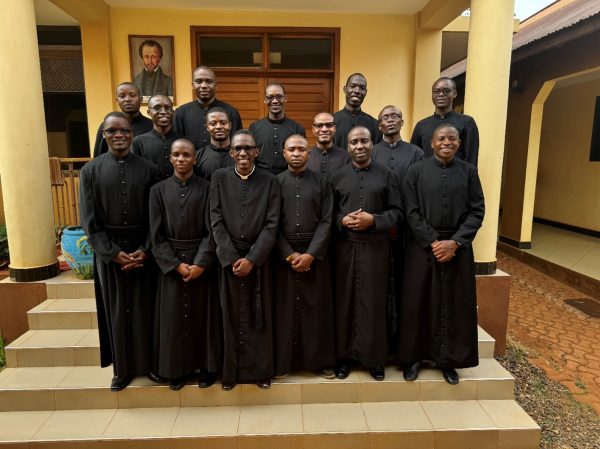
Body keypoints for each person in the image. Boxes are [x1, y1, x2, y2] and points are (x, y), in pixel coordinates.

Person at [79, 112, 160, 391]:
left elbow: (155, 217)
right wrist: (112, 253)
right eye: (112, 131)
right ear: (104, 135)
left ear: (132, 134)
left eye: (124, 131)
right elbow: (89, 220)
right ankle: (122, 369)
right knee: (116, 311)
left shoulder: (149, 169)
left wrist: (145, 249)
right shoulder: (90, 171)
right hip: (109, 251)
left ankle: (149, 365)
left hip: (142, 248)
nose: (119, 135)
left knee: (145, 309)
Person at [399, 124, 484, 385]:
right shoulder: (415, 172)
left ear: (459, 143)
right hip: (423, 247)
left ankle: (448, 360)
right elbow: (410, 212)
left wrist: (455, 243)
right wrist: (434, 242)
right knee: (417, 303)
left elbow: (477, 211)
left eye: (452, 139)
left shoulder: (469, 172)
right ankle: (413, 359)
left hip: (457, 250)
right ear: (431, 143)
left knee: (453, 304)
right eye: (441, 139)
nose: (446, 142)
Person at [329, 126, 402, 381]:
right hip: (345, 249)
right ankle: (344, 358)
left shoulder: (387, 175)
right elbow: (329, 214)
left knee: (374, 303)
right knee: (345, 302)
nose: (359, 146)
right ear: (347, 146)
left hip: (376, 249)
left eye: (364, 141)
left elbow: (396, 212)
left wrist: (374, 220)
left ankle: (374, 359)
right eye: (353, 142)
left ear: (372, 144)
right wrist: (341, 220)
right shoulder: (337, 177)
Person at [210, 130, 281, 390]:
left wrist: (253, 258)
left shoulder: (270, 181)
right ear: (231, 152)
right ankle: (231, 372)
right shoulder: (218, 178)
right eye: (237, 149)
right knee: (229, 316)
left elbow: (272, 223)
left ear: (256, 152)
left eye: (247, 148)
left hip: (259, 260)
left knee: (258, 315)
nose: (242, 153)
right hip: (228, 259)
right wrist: (229, 257)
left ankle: (261, 371)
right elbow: (215, 220)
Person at [149, 138, 220, 391]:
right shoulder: (157, 191)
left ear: (195, 159)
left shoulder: (208, 188)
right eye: (176, 154)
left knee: (204, 317)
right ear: (170, 158)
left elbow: (212, 231)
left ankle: (206, 368)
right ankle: (176, 370)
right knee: (174, 319)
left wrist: (200, 263)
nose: (181, 159)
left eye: (186, 155)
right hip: (171, 263)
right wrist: (176, 265)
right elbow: (155, 235)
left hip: (202, 260)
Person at [274, 134, 335, 378]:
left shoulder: (322, 182)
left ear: (309, 154)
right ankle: (283, 362)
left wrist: (310, 255)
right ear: (284, 153)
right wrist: (289, 255)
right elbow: (271, 224)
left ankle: (319, 361)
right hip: (283, 256)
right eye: (292, 149)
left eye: (301, 149)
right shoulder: (275, 182)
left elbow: (327, 220)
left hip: (315, 254)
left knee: (316, 311)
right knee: (285, 311)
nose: (297, 153)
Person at [372, 105, 424, 352]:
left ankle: (403, 341)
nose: (390, 120)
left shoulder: (416, 153)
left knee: (405, 283)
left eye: (394, 116)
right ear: (379, 125)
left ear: (402, 122)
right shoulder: (370, 152)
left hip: (407, 230)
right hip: (377, 230)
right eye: (385, 117)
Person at [410, 77, 479, 165]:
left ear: (454, 93)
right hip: (427, 177)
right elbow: (414, 159)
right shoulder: (421, 125)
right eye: (436, 91)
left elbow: (471, 159)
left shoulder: (467, 122)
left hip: (457, 176)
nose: (441, 94)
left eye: (446, 91)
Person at [173, 66, 242, 149]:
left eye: (209, 81)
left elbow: (237, 145)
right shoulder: (180, 113)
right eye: (199, 81)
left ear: (216, 85)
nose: (204, 86)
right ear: (192, 85)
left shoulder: (231, 112)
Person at [250, 83, 305, 175]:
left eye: (279, 97)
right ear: (265, 100)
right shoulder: (254, 128)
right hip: (260, 178)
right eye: (270, 97)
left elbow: (302, 157)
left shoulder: (297, 128)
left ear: (285, 98)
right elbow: (250, 155)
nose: (275, 101)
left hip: (288, 178)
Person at [92, 82, 153, 158]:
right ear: (117, 100)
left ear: (140, 99)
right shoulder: (107, 126)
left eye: (132, 95)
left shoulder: (151, 125)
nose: (127, 99)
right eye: (122, 96)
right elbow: (98, 156)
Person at [132, 95, 183, 179]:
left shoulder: (185, 141)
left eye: (167, 108)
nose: (163, 112)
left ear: (172, 112)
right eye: (157, 108)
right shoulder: (138, 142)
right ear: (149, 112)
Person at [333, 73, 380, 149]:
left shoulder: (374, 124)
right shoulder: (331, 122)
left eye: (362, 88)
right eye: (352, 86)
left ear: (365, 92)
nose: (357, 91)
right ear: (345, 89)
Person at [307, 112, 350, 179]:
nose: (324, 129)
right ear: (313, 130)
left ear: (335, 129)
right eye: (319, 125)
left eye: (329, 125)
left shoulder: (346, 157)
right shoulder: (306, 156)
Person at [196, 107, 234, 181]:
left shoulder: (240, 155)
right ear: (207, 127)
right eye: (213, 124)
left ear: (230, 125)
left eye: (223, 123)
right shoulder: (198, 156)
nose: (219, 127)